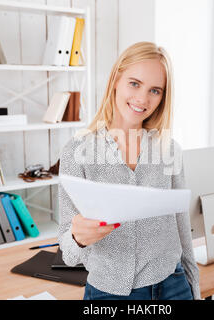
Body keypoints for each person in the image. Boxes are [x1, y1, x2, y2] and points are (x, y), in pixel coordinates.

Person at [58, 41, 201, 300]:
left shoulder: (169, 150)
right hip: (110, 294)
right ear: (116, 80)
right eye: (134, 84)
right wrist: (78, 238)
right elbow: (68, 253)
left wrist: (193, 288)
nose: (142, 99)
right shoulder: (76, 151)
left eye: (155, 90)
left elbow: (183, 231)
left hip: (174, 286)